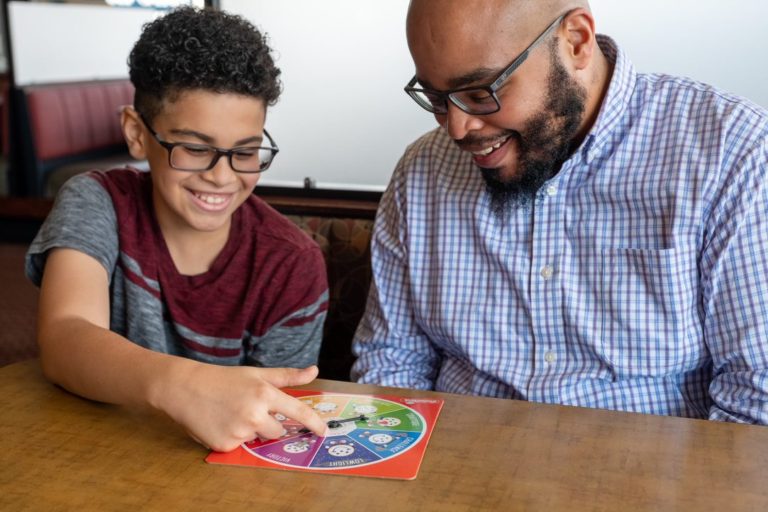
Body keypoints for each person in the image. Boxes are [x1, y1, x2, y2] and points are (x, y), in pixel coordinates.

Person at [352, 0, 768, 423]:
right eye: (437, 99)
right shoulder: (423, 169)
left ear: (576, 41)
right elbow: (392, 361)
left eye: (481, 93)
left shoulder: (730, 154)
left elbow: (756, 401)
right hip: (453, 457)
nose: (457, 128)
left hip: (654, 464)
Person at [26, 7, 330, 451]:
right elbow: (64, 335)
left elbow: (274, 425)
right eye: (194, 148)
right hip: (92, 451)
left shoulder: (291, 263)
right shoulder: (97, 202)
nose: (222, 177)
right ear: (137, 133)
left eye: (245, 152)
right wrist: (182, 386)